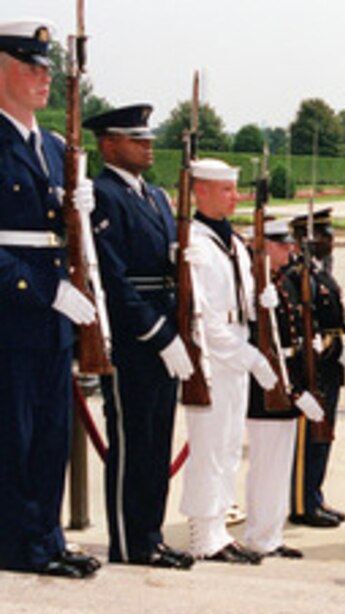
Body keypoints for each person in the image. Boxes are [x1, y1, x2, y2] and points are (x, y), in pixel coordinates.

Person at [0, 19, 102, 578]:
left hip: (55, 313)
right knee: (12, 435)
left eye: (46, 69)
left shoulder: (53, 145)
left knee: (50, 433)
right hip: (13, 312)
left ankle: (47, 537)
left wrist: (81, 210)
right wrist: (45, 290)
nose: (43, 79)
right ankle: (19, 545)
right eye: (29, 67)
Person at [85, 104, 194, 570]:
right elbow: (113, 279)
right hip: (134, 338)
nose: (148, 146)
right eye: (136, 139)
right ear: (109, 144)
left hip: (166, 328)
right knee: (131, 443)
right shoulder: (103, 195)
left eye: (148, 139)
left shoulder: (154, 196)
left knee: (156, 441)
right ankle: (130, 544)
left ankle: (150, 535)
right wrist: (157, 332)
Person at [179, 158, 277, 564]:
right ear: (199, 191)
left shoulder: (233, 242)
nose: (236, 196)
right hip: (214, 359)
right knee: (208, 449)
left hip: (236, 352)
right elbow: (202, 317)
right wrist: (248, 357)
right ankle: (202, 535)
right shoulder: (196, 243)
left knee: (230, 445)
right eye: (226, 189)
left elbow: (244, 301)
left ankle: (219, 529)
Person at [243, 218, 324, 559]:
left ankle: (271, 534)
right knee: (267, 465)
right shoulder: (251, 284)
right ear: (263, 248)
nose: (290, 249)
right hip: (266, 390)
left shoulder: (282, 282)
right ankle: (259, 535)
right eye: (282, 244)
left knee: (279, 465)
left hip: (285, 383)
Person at [286, 208, 345, 528]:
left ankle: (314, 496)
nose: (332, 239)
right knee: (309, 439)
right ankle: (302, 504)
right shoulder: (297, 276)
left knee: (324, 436)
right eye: (325, 234)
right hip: (314, 367)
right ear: (309, 239)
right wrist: (335, 348)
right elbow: (301, 325)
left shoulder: (320, 272)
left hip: (330, 367)